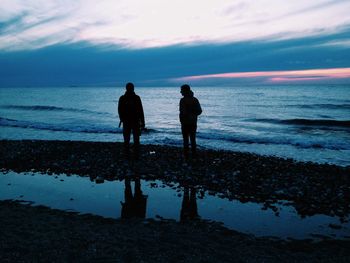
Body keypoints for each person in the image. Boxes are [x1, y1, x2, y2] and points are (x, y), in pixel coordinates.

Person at [118, 82, 145, 156]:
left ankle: (128, 153)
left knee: (127, 139)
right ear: (133, 88)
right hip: (133, 121)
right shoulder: (136, 98)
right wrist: (143, 122)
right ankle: (135, 154)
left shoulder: (123, 98)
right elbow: (141, 111)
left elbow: (119, 110)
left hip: (129, 121)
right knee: (135, 139)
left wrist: (122, 119)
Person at [179, 84, 202, 158]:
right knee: (193, 139)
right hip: (193, 122)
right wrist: (193, 115)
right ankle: (194, 154)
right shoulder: (195, 99)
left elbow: (183, 112)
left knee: (186, 139)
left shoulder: (183, 100)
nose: (180, 92)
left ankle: (186, 155)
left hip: (186, 123)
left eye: (181, 90)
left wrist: (187, 115)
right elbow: (199, 111)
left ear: (185, 91)